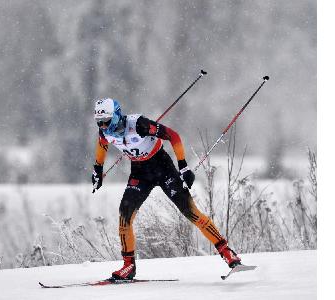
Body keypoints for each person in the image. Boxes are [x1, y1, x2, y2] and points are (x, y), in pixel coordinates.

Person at [91, 98, 242, 280]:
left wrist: (184, 167)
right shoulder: (104, 131)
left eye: (106, 120)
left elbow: (173, 135)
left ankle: (227, 252)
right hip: (140, 173)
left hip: (163, 168)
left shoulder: (139, 124)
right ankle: (128, 266)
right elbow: (102, 145)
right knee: (125, 215)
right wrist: (97, 170)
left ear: (115, 116)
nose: (103, 125)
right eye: (99, 122)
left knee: (190, 212)